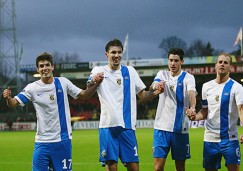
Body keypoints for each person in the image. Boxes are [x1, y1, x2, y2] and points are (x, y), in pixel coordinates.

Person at [2, 52, 101, 171]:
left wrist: (96, 84)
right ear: (37, 69)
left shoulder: (63, 82)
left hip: (62, 141)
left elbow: (84, 95)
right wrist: (8, 98)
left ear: (52, 67)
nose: (45, 68)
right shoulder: (32, 88)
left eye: (47, 65)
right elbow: (13, 103)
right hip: (41, 142)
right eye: (42, 66)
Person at [87, 39, 163, 171]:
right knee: (112, 166)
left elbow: (143, 96)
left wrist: (157, 91)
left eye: (119, 52)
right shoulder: (99, 70)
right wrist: (94, 80)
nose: (116, 55)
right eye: (113, 52)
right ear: (107, 54)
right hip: (108, 126)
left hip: (128, 127)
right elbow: (89, 85)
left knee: (134, 167)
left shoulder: (130, 71)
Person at [186, 53, 243, 171]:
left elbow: (242, 111)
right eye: (220, 62)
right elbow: (205, 111)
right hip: (210, 139)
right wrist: (194, 117)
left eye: (225, 62)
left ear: (230, 67)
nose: (222, 64)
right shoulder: (206, 87)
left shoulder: (236, 87)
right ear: (215, 65)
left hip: (230, 140)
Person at [150, 48, 196, 171]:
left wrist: (192, 107)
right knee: (158, 167)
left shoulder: (188, 77)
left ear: (182, 61)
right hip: (161, 128)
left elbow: (191, 93)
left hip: (180, 130)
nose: (173, 63)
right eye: (171, 60)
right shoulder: (162, 74)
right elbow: (152, 85)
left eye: (176, 60)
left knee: (180, 168)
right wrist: (157, 86)